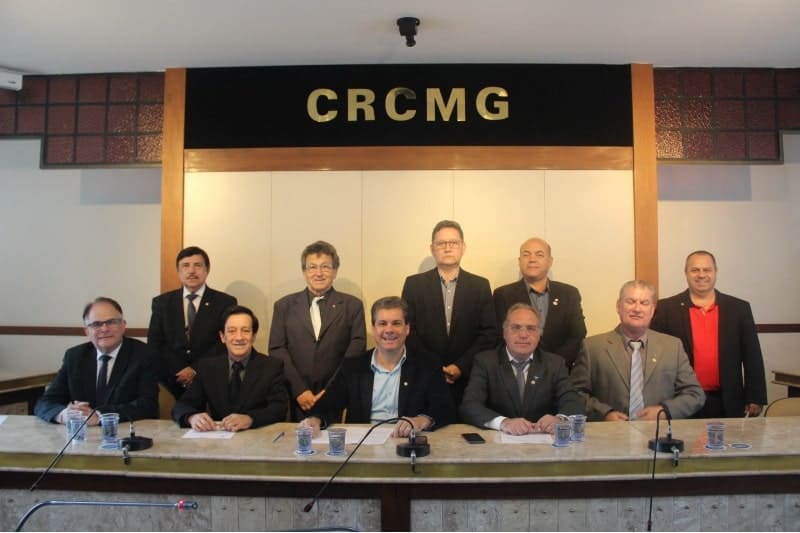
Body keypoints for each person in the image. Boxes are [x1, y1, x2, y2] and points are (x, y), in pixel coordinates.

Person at [300, 296, 456, 437]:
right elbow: (327, 404)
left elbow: (444, 408)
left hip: (407, 444)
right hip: (362, 446)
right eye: (382, 323)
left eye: (396, 323)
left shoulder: (428, 365)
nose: (389, 330)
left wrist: (421, 420)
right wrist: (315, 419)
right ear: (373, 329)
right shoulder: (353, 367)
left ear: (407, 328)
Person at [651, 250, 767, 418]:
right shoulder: (666, 308)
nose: (701, 275)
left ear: (716, 272)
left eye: (707, 270)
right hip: (680, 400)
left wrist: (755, 396)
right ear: (686, 273)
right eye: (695, 270)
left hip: (726, 400)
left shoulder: (738, 308)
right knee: (684, 437)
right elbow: (654, 356)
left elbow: (752, 355)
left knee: (725, 437)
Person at [571, 280, 705, 421]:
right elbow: (574, 394)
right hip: (610, 431)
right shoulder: (592, 348)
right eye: (630, 301)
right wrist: (604, 414)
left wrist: (664, 411)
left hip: (658, 431)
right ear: (618, 306)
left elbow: (695, 394)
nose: (637, 308)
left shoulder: (672, 347)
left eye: (644, 303)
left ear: (652, 310)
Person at [401, 220, 496, 409]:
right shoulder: (414, 285)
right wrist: (435, 367)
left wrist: (461, 366)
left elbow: (489, 334)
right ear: (432, 248)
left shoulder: (480, 286)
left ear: (463, 247)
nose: (447, 248)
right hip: (425, 377)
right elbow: (408, 330)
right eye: (441, 243)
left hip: (469, 378)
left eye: (453, 243)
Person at [269, 241, 366, 421]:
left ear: (335, 271)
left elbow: (357, 349)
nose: (319, 273)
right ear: (304, 272)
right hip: (294, 397)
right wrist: (299, 390)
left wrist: (330, 390)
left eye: (325, 267)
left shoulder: (352, 306)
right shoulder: (284, 306)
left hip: (336, 396)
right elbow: (277, 349)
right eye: (312, 267)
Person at [461, 303, 583, 435]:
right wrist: (504, 423)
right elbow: (470, 405)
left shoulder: (555, 364)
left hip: (543, 440)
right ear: (504, 333)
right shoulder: (485, 362)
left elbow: (572, 400)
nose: (523, 335)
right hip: (498, 441)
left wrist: (560, 419)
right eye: (516, 328)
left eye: (531, 328)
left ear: (539, 334)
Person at [35, 297, 158, 425]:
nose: (104, 329)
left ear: (123, 325)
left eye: (111, 322)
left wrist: (99, 416)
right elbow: (45, 402)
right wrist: (64, 414)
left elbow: (148, 406)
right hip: (82, 433)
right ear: (87, 331)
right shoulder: (74, 357)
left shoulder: (143, 354)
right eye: (96, 324)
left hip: (125, 431)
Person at [172, 305, 288, 432]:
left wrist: (250, 418)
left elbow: (279, 408)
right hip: (219, 438)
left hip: (256, 436)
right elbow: (182, 405)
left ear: (253, 336)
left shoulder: (271, 366)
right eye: (232, 331)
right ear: (222, 336)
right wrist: (192, 417)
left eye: (245, 331)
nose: (239, 337)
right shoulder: (207, 367)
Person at [147, 246, 237, 399]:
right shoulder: (162, 303)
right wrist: (178, 370)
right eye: (185, 265)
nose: (191, 271)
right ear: (178, 271)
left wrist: (195, 369)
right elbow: (155, 342)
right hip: (170, 379)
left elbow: (224, 341)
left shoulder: (225, 302)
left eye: (198, 265)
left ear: (207, 270)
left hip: (211, 377)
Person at [492, 237, 587, 367]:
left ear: (550, 261)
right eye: (526, 254)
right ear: (519, 261)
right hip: (517, 370)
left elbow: (578, 335)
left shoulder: (569, 294)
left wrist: (554, 365)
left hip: (561, 370)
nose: (532, 259)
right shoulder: (503, 295)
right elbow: (500, 337)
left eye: (539, 255)